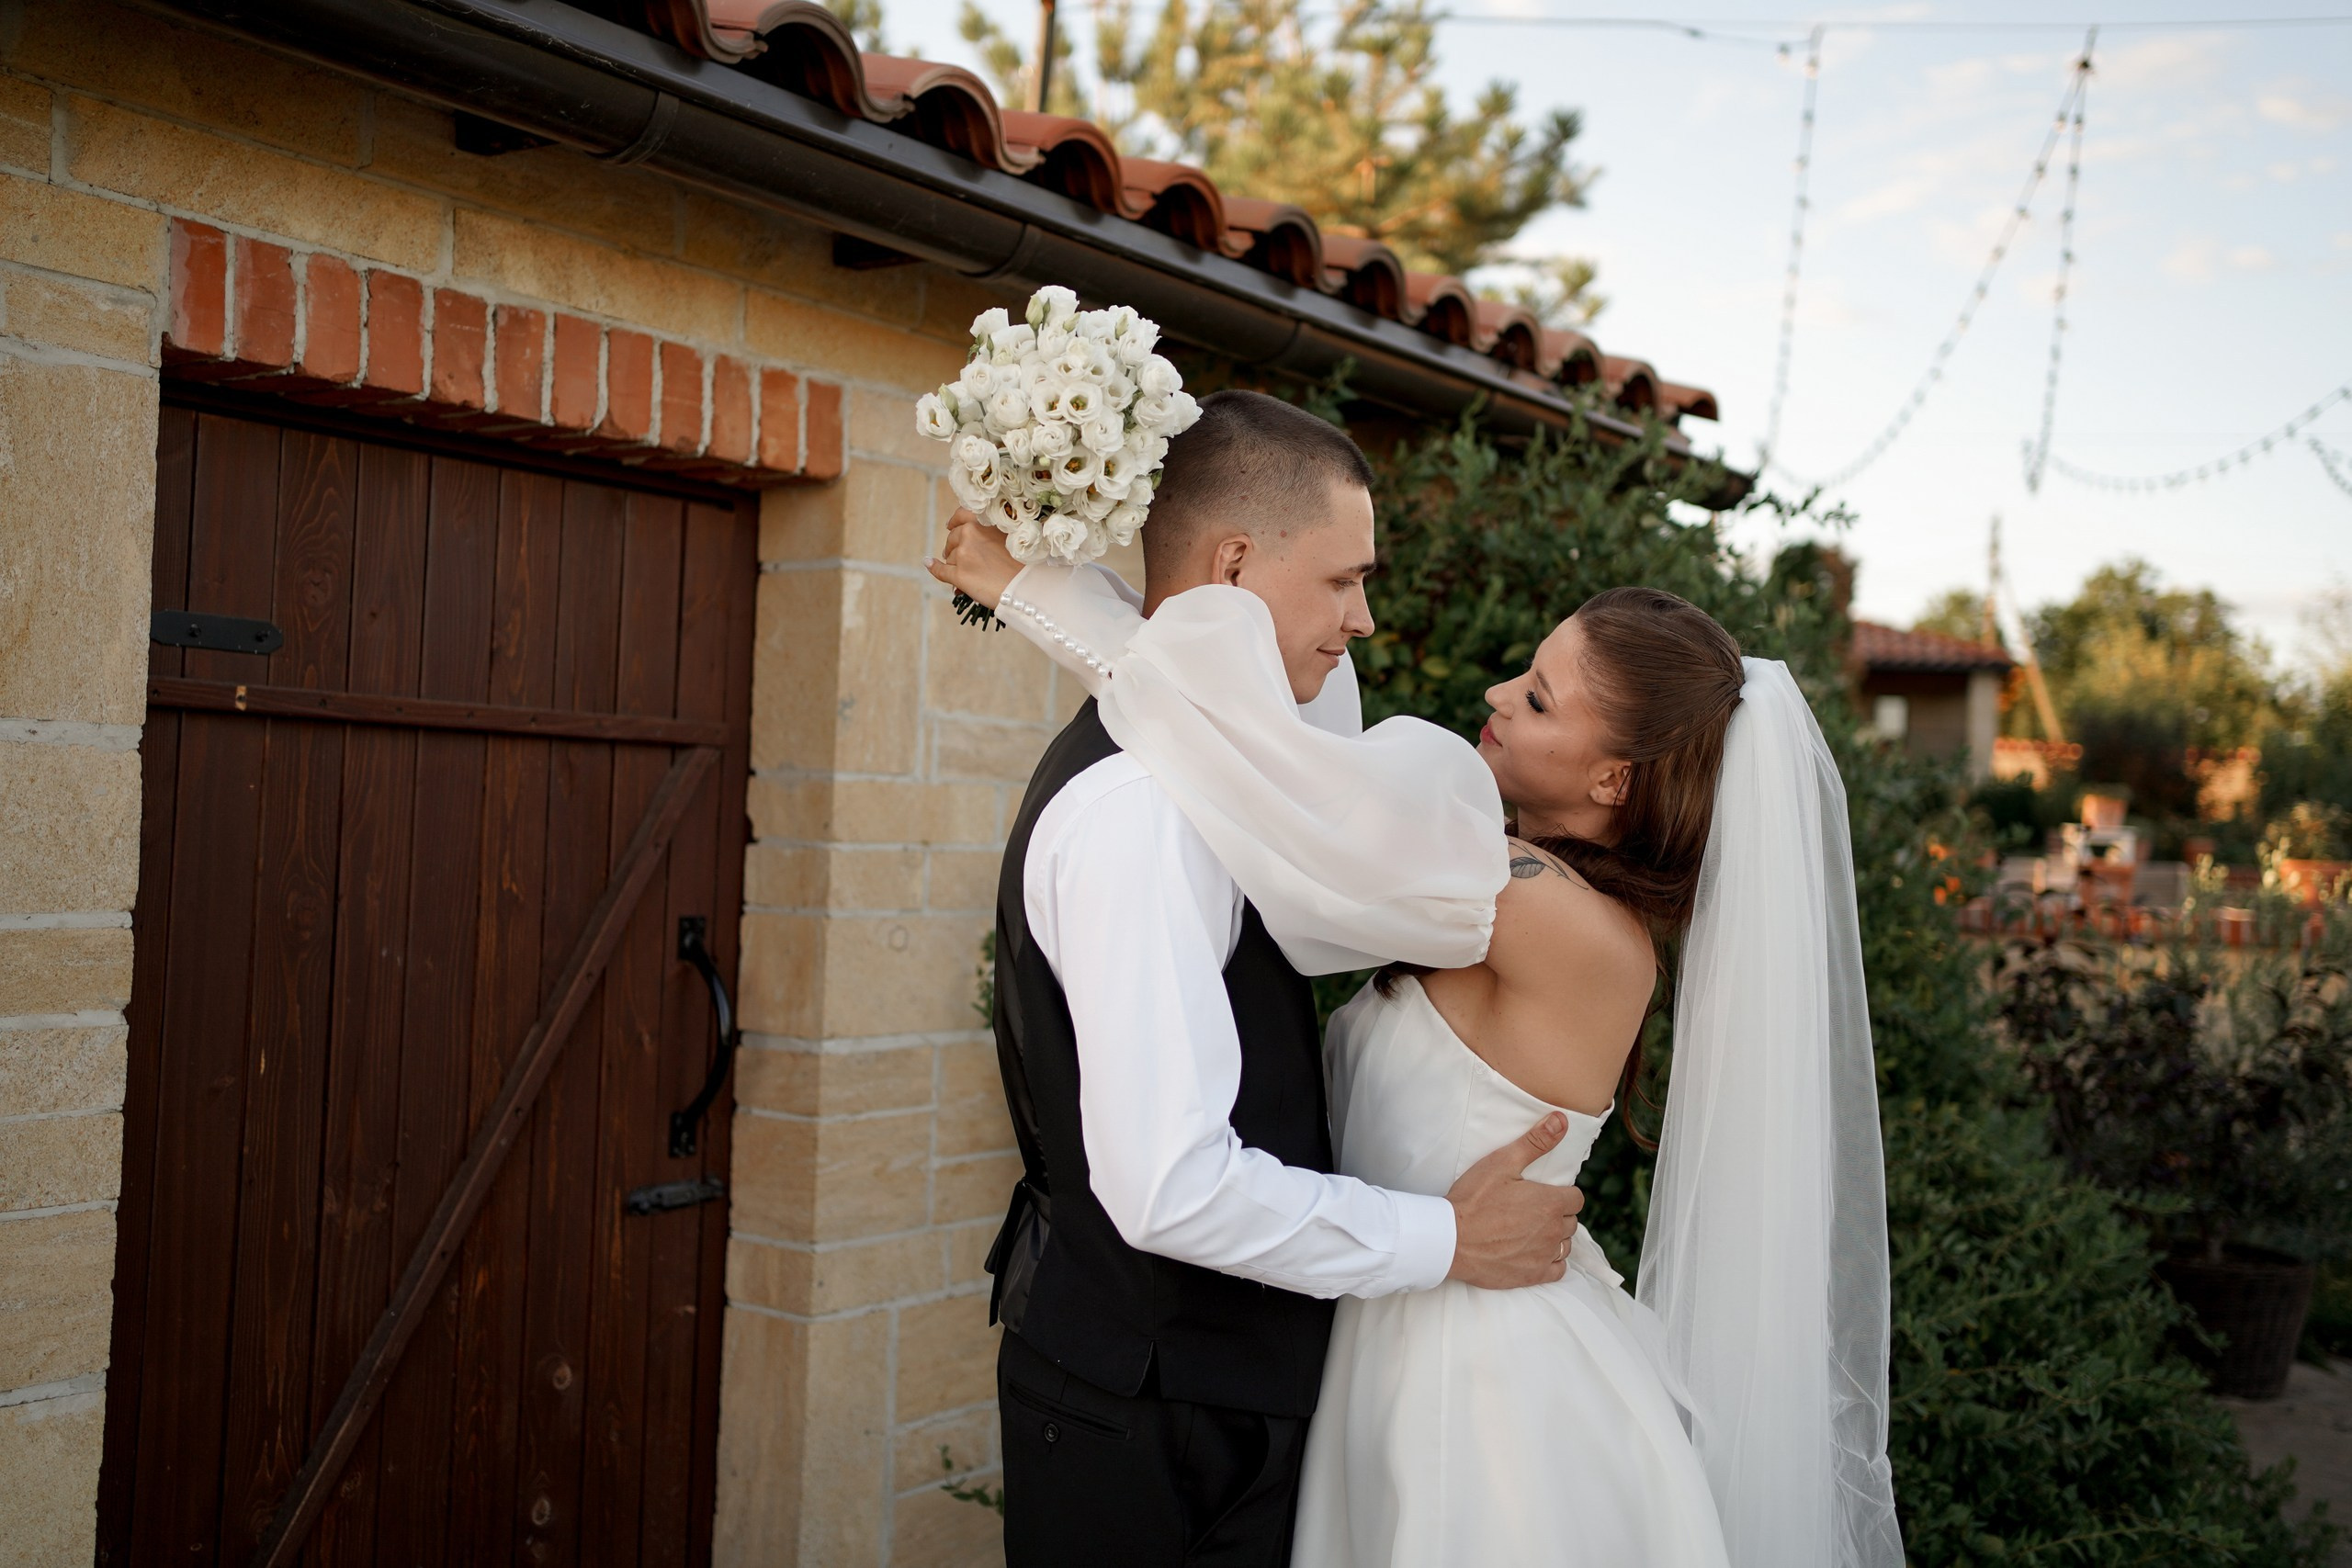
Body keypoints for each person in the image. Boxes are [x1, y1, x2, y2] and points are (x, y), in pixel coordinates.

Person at [930, 397, 1903, 1568]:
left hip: (1480, 1385)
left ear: (1611, 783)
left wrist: (1041, 590)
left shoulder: (1549, 915)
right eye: (1523, 673)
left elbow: (1270, 764)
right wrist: (1051, 591)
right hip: (1391, 1337)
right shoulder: (1484, 878)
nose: (1493, 697)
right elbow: (1256, 751)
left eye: (1539, 701)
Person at [959, 390, 1586, 1567]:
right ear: (1237, 560)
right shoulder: (1146, 812)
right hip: (1150, 1418)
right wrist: (1445, 1242)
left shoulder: (1212, 755)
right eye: (1342, 579)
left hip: (1212, 1397)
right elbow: (1170, 1189)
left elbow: (1180, 668)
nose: (1360, 618)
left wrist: (1037, 588)